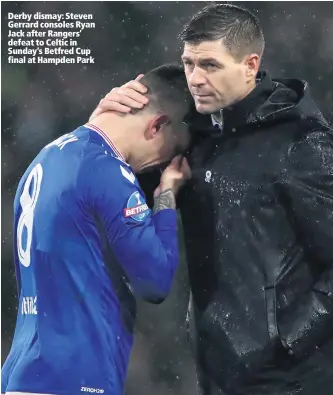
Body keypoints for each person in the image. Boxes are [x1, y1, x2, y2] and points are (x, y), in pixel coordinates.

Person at [91, 4, 333, 395]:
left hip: (287, 383)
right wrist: (105, 121)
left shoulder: (302, 143)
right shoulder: (197, 137)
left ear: (250, 64)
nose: (194, 78)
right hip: (215, 373)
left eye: (210, 65)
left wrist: (284, 342)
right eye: (188, 63)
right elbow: (122, 197)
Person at [1, 64, 193, 395]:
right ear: (157, 125)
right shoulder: (108, 172)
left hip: (22, 373)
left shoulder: (45, 159)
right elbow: (155, 280)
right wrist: (165, 199)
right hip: (76, 378)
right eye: (172, 152)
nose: (164, 165)